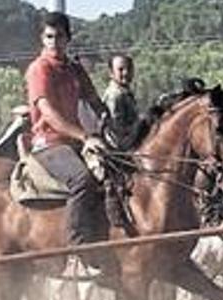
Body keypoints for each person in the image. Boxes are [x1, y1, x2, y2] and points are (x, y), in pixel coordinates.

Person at [25, 12, 113, 276]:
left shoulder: (74, 68)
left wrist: (108, 117)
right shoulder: (39, 69)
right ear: (42, 39)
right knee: (82, 179)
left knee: (117, 173)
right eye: (49, 37)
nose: (54, 42)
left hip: (75, 142)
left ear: (68, 39)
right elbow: (48, 113)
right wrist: (86, 136)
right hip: (48, 144)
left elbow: (94, 99)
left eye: (59, 36)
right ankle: (76, 249)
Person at [102, 54, 141, 150]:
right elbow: (116, 128)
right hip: (120, 148)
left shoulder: (125, 92)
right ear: (111, 73)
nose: (126, 73)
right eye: (120, 69)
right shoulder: (115, 95)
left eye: (129, 69)